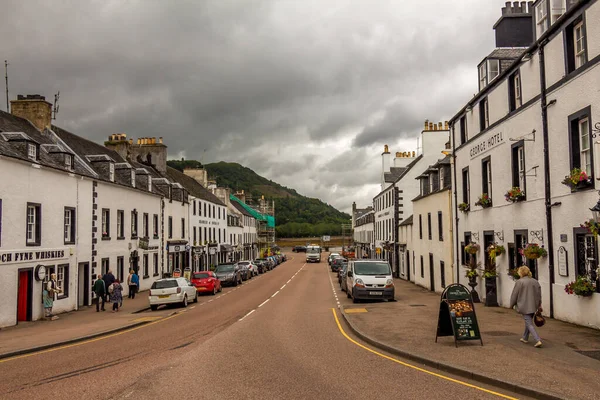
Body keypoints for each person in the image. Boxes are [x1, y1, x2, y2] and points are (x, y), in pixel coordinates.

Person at [510, 266, 543, 348]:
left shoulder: (519, 282)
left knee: (529, 323)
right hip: (534, 305)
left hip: (524, 305)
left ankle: (537, 339)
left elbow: (515, 294)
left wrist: (511, 304)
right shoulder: (535, 281)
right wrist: (539, 304)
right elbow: (539, 295)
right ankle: (525, 337)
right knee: (528, 321)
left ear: (521, 273)